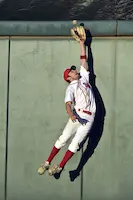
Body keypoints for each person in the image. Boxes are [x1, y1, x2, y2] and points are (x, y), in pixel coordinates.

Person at [38, 39, 96, 176]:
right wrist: (71, 114)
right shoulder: (71, 88)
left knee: (75, 145)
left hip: (89, 118)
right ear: (68, 77)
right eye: (72, 71)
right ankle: (47, 162)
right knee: (63, 138)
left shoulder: (84, 79)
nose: (75, 71)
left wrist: (82, 43)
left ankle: (60, 167)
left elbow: (84, 59)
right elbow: (68, 104)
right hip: (78, 116)